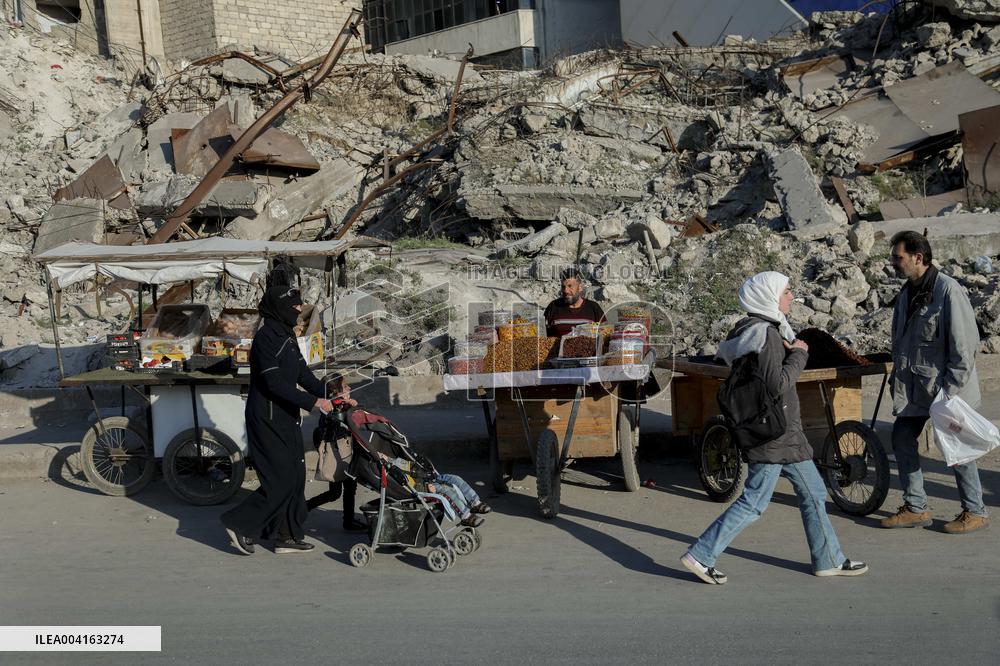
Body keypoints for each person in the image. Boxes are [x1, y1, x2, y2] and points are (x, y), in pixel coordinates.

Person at [680, 271, 868, 585]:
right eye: (787, 291)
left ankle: (828, 559)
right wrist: (799, 355)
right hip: (774, 436)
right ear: (769, 296)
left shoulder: (754, 329)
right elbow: (776, 384)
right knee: (754, 502)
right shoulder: (765, 335)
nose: (792, 296)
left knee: (814, 493)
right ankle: (701, 555)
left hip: (784, 433)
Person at [880, 231, 988, 533]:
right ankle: (916, 507)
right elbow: (903, 343)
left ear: (918, 257)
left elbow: (965, 348)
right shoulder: (906, 294)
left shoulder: (948, 291)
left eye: (897, 257)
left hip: (946, 391)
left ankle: (975, 511)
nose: (893, 263)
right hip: (916, 389)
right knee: (902, 437)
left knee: (957, 447)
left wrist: (950, 394)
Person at [221, 285, 334, 555]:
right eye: (293, 305)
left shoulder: (286, 335)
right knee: (280, 480)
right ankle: (240, 524)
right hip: (267, 418)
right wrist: (313, 402)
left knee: (295, 478)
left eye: (299, 305)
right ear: (278, 308)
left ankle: (286, 536)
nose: (298, 309)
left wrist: (332, 394)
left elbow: (302, 374)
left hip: (287, 416)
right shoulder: (266, 339)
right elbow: (273, 383)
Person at [307, 374, 367, 532]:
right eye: (345, 386)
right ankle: (303, 508)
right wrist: (347, 408)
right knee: (334, 493)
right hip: (336, 455)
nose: (349, 388)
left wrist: (350, 407)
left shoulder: (340, 406)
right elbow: (335, 427)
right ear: (335, 392)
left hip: (345, 452)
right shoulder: (329, 409)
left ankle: (349, 521)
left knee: (349, 487)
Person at [376, 452, 491, 527]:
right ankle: (465, 516)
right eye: (380, 455)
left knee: (456, 478)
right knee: (447, 491)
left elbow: (412, 464)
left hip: (431, 477)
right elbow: (409, 483)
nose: (383, 454)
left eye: (382, 453)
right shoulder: (392, 469)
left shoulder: (397, 461)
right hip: (422, 487)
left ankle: (475, 502)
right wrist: (425, 487)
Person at [543, 270, 605, 338]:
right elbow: (543, 335)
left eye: (570, 286)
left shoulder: (593, 308)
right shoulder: (553, 307)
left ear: (580, 287)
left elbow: (604, 334)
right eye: (563, 287)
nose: (565, 290)